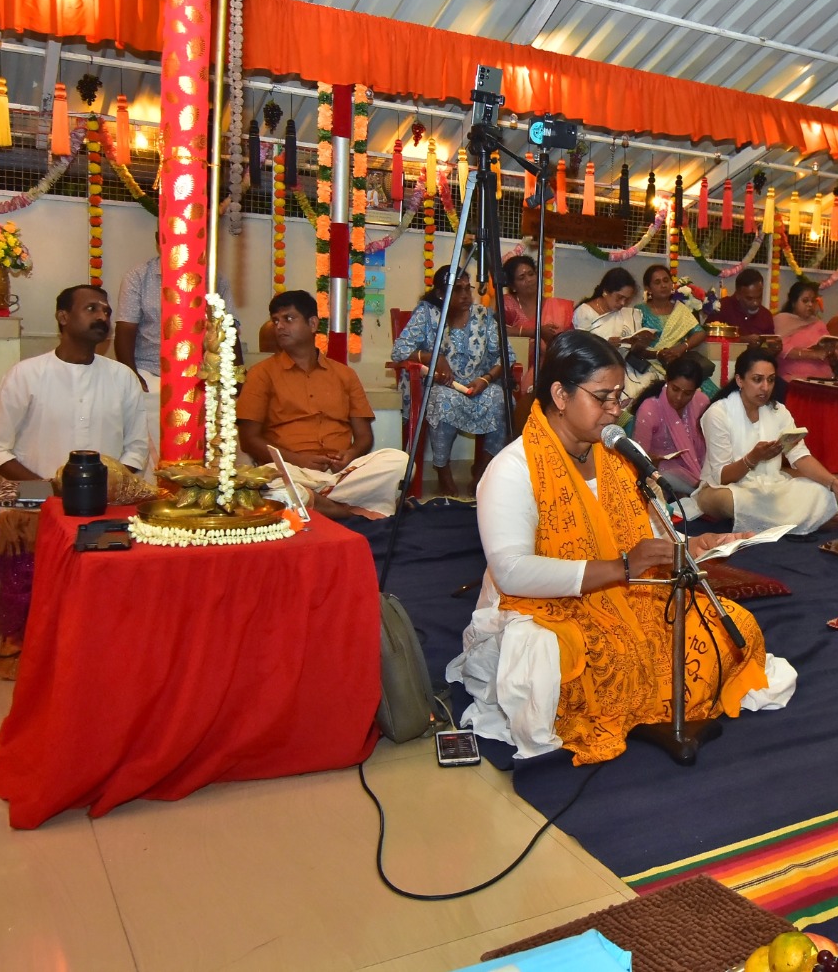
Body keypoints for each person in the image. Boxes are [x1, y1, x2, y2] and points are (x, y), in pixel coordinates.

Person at [447, 330, 796, 764]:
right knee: (599, 660)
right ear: (560, 395)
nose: (615, 410)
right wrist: (622, 568)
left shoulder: (617, 459)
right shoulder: (513, 469)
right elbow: (512, 572)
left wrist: (695, 545)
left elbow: (648, 536)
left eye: (619, 397)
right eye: (603, 397)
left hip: (633, 591)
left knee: (735, 629)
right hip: (546, 605)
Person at [238, 290, 405, 518]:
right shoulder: (261, 374)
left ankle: (317, 501)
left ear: (313, 324)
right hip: (290, 471)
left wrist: (350, 454)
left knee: (399, 462)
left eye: (288, 318)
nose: (279, 327)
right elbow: (249, 440)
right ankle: (348, 510)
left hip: (340, 474)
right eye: (275, 321)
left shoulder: (344, 375)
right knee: (271, 485)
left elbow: (364, 437)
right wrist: (298, 460)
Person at [0, 284, 147, 481]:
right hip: (37, 496)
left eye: (107, 312)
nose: (102, 317)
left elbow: (136, 450)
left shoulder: (123, 377)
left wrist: (103, 486)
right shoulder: (25, 374)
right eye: (91, 309)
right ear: (63, 317)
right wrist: (47, 489)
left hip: (105, 496)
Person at [697, 348, 838, 534]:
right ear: (740, 380)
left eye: (770, 380)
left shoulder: (778, 411)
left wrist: (833, 483)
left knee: (819, 491)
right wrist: (752, 459)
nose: (765, 387)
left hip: (771, 487)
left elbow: (800, 455)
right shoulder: (718, 414)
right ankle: (807, 520)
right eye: (757, 379)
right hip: (724, 489)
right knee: (735, 501)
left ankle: (784, 521)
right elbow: (722, 477)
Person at [390, 267, 512, 496]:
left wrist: (486, 379)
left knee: (500, 398)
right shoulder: (427, 313)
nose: (465, 295)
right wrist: (433, 357)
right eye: (457, 290)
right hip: (439, 386)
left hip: (478, 385)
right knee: (442, 398)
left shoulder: (484, 316)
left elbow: (505, 357)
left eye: (467, 288)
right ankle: (443, 471)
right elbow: (399, 351)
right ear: (440, 293)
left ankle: (482, 472)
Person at [115, 243, 233, 470]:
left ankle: (199, 476)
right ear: (159, 240)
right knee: (149, 406)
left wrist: (233, 377)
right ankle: (155, 480)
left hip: (200, 372)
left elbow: (228, 329)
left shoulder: (215, 279)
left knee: (219, 416)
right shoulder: (139, 276)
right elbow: (125, 329)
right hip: (150, 369)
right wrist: (131, 376)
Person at [627, 355, 709, 498]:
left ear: (696, 390)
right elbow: (638, 458)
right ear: (667, 381)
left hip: (701, 468)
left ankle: (702, 492)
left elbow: (710, 445)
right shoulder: (649, 409)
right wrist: (653, 459)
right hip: (663, 470)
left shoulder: (702, 402)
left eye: (687, 393)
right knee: (665, 477)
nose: (679, 397)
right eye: (675, 389)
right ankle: (702, 493)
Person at [572, 267, 656, 398]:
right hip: (594, 370)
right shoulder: (585, 312)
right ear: (606, 291)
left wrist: (638, 343)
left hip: (626, 367)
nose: (623, 303)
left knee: (650, 389)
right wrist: (605, 345)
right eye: (619, 297)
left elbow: (632, 352)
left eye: (627, 299)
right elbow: (579, 350)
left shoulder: (627, 314)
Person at [637, 263, 708, 382]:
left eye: (666, 280)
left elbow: (700, 333)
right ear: (648, 288)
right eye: (657, 282)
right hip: (648, 367)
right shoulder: (639, 311)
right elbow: (633, 345)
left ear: (671, 283)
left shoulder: (680, 310)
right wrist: (657, 354)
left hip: (677, 367)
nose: (663, 285)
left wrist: (682, 347)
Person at [773, 278, 838, 381]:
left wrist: (833, 351)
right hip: (793, 378)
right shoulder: (782, 320)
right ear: (793, 302)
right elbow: (780, 348)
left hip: (824, 377)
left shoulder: (818, 323)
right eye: (805, 301)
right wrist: (813, 354)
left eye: (813, 301)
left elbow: (828, 345)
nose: (810, 304)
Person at [710, 267, 780, 345]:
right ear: (737, 294)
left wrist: (773, 346)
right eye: (749, 298)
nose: (755, 303)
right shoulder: (721, 307)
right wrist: (742, 340)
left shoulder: (766, 315)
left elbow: (769, 345)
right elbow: (709, 340)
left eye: (759, 297)